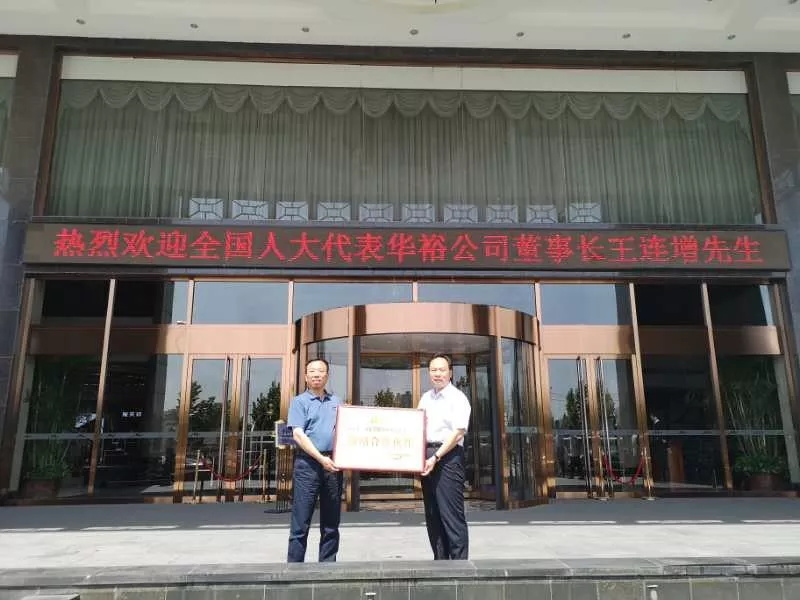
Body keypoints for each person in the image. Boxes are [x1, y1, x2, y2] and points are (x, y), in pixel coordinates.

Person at [286, 357, 343, 563]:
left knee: (331, 523)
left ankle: (327, 566)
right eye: (312, 371)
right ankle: (294, 569)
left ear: (327, 376)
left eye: (320, 371)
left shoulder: (337, 402)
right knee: (301, 522)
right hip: (307, 466)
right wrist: (320, 459)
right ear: (306, 377)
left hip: (333, 465)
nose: (316, 375)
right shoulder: (299, 402)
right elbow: (298, 434)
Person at [418, 353, 471, 560]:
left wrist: (436, 457)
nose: (437, 374)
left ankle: (459, 566)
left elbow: (458, 433)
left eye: (442, 370)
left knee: (451, 515)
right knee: (433, 514)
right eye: (433, 370)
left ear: (450, 372)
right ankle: (440, 562)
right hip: (427, 457)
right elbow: (415, 426)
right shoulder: (425, 398)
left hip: (448, 458)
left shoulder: (458, 398)